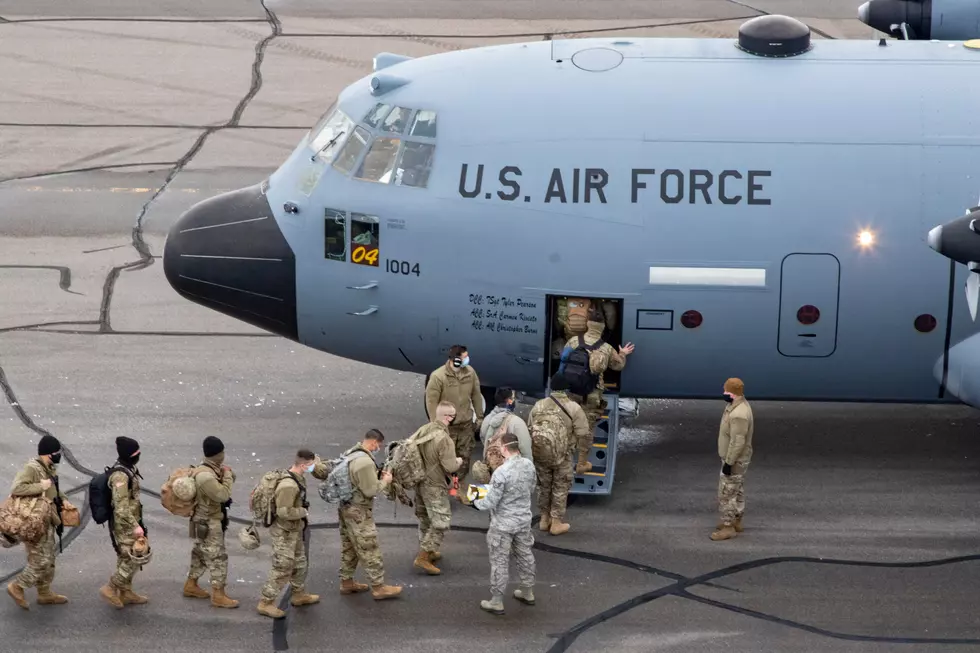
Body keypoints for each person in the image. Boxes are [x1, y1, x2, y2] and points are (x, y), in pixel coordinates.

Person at [460, 432, 537, 615]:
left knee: (499, 562)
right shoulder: (528, 465)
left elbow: (490, 502)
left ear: (503, 448)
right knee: (525, 555)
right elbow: (532, 488)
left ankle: (496, 600)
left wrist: (473, 502)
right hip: (523, 520)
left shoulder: (501, 472)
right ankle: (527, 591)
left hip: (503, 524)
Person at [560, 307, 634, 473]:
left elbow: (563, 361)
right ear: (601, 328)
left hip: (572, 392)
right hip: (592, 394)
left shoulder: (573, 342)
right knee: (587, 430)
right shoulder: (606, 348)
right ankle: (582, 463)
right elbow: (618, 366)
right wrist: (623, 353)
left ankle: (564, 460)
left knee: (568, 426)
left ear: (587, 324)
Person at [6, 434, 71, 609]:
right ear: (47, 453)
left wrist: (63, 498)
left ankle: (44, 593)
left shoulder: (49, 467)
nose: (58, 456)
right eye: (56, 452)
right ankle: (18, 586)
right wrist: (39, 486)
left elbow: (54, 489)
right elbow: (17, 488)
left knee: (49, 559)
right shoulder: (32, 468)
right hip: (34, 521)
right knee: (40, 559)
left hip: (46, 519)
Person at [337, 429, 402, 600]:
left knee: (350, 546)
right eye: (378, 445)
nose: (378, 448)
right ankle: (379, 587)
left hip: (346, 507)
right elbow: (370, 490)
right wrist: (385, 481)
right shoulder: (365, 462)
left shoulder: (352, 453)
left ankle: (346, 581)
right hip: (359, 511)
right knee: (369, 547)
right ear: (374, 442)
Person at [257, 449, 322, 618]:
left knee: (300, 563)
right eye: (312, 465)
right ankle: (266, 602)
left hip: (294, 530)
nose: (315, 468)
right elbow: (284, 512)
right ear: (303, 465)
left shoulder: (297, 478)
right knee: (282, 567)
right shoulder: (289, 486)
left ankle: (298, 594)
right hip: (284, 532)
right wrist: (303, 512)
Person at [528, 374, 589, 535]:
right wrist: (574, 446)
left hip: (541, 455)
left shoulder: (539, 405)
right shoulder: (573, 407)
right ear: (567, 389)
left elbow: (530, 426)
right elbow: (583, 432)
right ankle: (556, 523)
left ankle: (543, 519)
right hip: (563, 455)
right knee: (560, 487)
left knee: (543, 487)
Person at [183, 436, 238, 608]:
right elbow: (222, 495)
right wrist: (228, 476)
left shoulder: (208, 468)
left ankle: (191, 585)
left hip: (202, 520)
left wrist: (225, 473)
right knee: (218, 557)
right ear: (219, 454)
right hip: (209, 521)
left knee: (200, 553)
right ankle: (218, 595)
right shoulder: (205, 476)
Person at [412, 401, 462, 575]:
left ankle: (429, 550)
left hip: (419, 481)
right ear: (448, 417)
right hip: (434, 485)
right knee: (441, 521)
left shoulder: (424, 430)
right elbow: (450, 467)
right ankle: (424, 556)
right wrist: (459, 461)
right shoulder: (444, 439)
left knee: (425, 518)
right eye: (453, 416)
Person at [100, 436, 149, 608]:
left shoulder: (128, 469)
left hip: (132, 521)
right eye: (136, 453)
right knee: (135, 557)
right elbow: (121, 507)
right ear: (130, 455)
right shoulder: (120, 476)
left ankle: (126, 592)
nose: (138, 455)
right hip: (125, 525)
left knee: (125, 558)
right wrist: (135, 526)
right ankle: (111, 587)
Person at [424, 345, 484, 483]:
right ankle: (441, 486)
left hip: (465, 426)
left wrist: (480, 417)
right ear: (456, 360)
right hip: (447, 427)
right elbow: (431, 402)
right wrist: (436, 425)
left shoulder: (470, 373)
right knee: (444, 459)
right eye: (464, 357)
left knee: (464, 458)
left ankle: (458, 486)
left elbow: (476, 395)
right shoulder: (438, 377)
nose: (467, 360)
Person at [711, 378, 755, 542]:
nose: (724, 394)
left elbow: (738, 441)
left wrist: (729, 462)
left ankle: (728, 526)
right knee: (737, 489)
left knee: (727, 493)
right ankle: (737, 521)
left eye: (726, 391)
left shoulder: (739, 414)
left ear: (733, 393)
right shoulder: (737, 406)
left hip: (734, 460)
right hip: (738, 459)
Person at [472, 387, 532, 483]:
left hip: (492, 470)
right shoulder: (517, 422)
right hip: (512, 474)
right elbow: (525, 449)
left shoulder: (487, 419)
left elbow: (484, 439)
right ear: (509, 401)